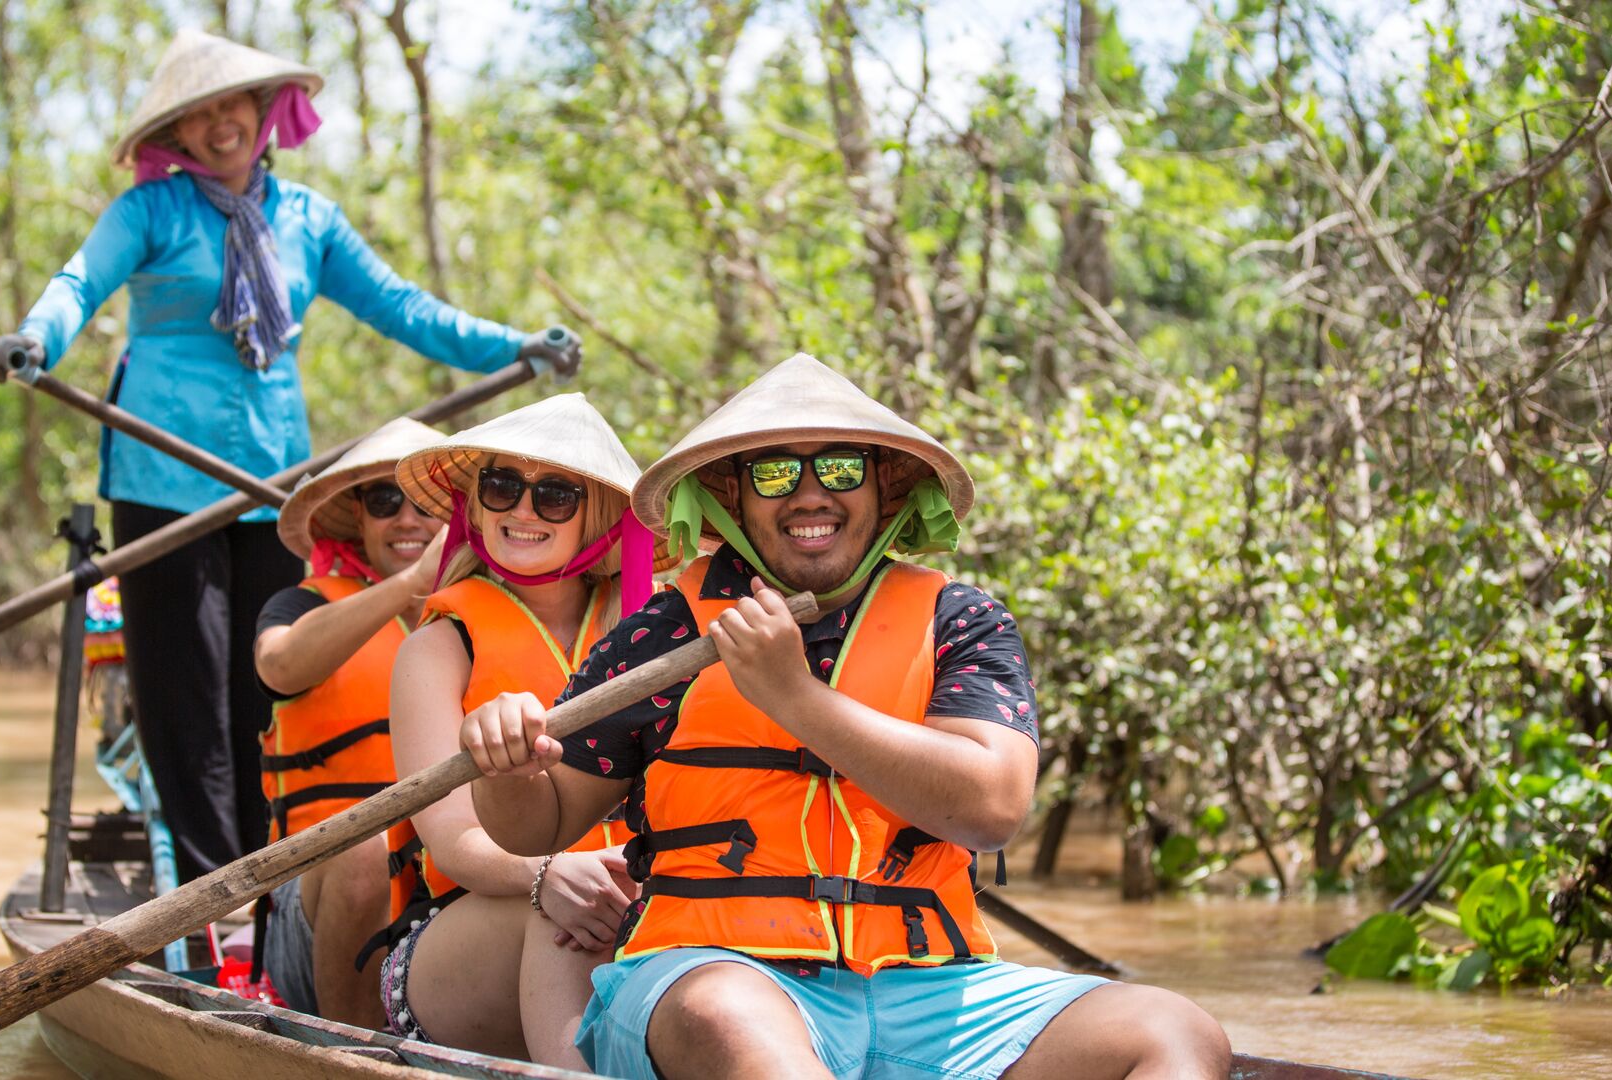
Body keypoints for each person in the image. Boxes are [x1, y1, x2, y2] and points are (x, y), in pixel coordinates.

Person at [457, 354, 1234, 1080]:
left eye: (838, 466)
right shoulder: (666, 633)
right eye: (771, 473)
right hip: (710, 970)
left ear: (887, 487)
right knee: (729, 1018)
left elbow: (993, 807)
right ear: (730, 495)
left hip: (930, 988)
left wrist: (794, 698)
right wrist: (504, 769)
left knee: (1176, 1032)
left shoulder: (960, 621)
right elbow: (536, 827)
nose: (808, 495)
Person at [0, 29, 581, 882]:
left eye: (234, 105)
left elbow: (405, 308)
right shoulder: (150, 211)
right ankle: (208, 893)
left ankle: (272, 888)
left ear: (264, 111)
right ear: (175, 136)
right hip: (163, 477)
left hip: (267, 484)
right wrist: (36, 337)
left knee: (261, 694)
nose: (220, 126)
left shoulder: (308, 219)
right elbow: (79, 281)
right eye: (198, 115)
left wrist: (515, 346)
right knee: (184, 697)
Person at [379, 394, 661, 1066]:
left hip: (641, 903)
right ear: (475, 505)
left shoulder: (658, 626)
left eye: (555, 495)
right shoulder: (438, 646)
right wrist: (546, 874)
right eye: (502, 487)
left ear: (599, 514)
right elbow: (451, 843)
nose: (523, 511)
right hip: (472, 929)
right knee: (563, 916)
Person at [250, 417, 447, 1026]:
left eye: (425, 502)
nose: (408, 520)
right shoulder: (302, 604)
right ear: (358, 518)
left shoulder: (489, 616)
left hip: (446, 892)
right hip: (314, 908)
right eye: (386, 502)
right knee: (364, 843)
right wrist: (412, 584)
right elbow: (279, 665)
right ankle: (352, 1050)